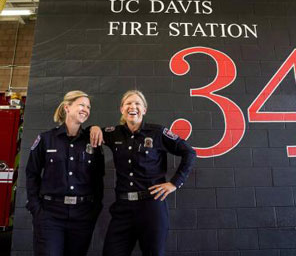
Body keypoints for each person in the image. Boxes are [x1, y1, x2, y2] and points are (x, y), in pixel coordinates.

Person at [90, 90, 196, 256]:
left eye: (137, 104)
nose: (133, 107)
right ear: (122, 109)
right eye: (128, 104)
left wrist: (175, 183)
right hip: (122, 208)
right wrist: (94, 127)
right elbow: (92, 132)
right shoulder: (113, 133)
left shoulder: (158, 133)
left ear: (144, 110)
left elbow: (189, 152)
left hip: (152, 207)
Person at [25, 90, 105, 256]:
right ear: (67, 107)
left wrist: (94, 209)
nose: (86, 109)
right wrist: (36, 209)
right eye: (81, 105)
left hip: (82, 215)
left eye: (88, 107)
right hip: (50, 215)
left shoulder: (92, 142)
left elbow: (98, 179)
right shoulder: (46, 139)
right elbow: (32, 174)